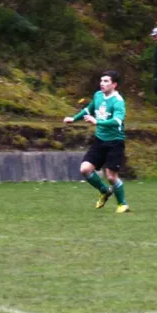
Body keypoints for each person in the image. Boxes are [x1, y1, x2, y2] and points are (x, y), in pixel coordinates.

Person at [63, 70, 130, 213]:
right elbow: (89, 109)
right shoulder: (98, 96)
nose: (102, 83)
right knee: (85, 169)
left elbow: (117, 121)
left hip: (115, 142)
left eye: (106, 81)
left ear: (114, 84)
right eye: (101, 80)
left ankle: (122, 204)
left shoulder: (118, 101)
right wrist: (74, 119)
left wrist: (97, 122)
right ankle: (104, 191)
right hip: (100, 141)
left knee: (111, 176)